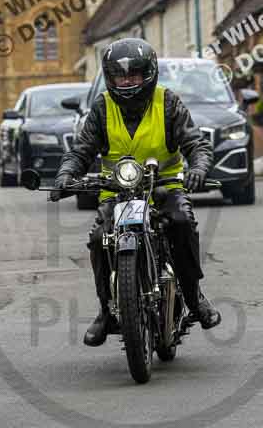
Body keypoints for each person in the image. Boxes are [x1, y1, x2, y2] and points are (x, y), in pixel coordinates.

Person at [51, 38, 221, 346]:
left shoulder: (167, 102)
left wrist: (198, 169)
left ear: (149, 74)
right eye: (120, 76)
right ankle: (105, 310)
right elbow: (81, 150)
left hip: (163, 186)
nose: (127, 82)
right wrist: (66, 174)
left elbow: (197, 144)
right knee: (98, 239)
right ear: (110, 77)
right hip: (116, 192)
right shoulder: (102, 107)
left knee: (182, 222)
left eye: (134, 75)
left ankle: (195, 297)